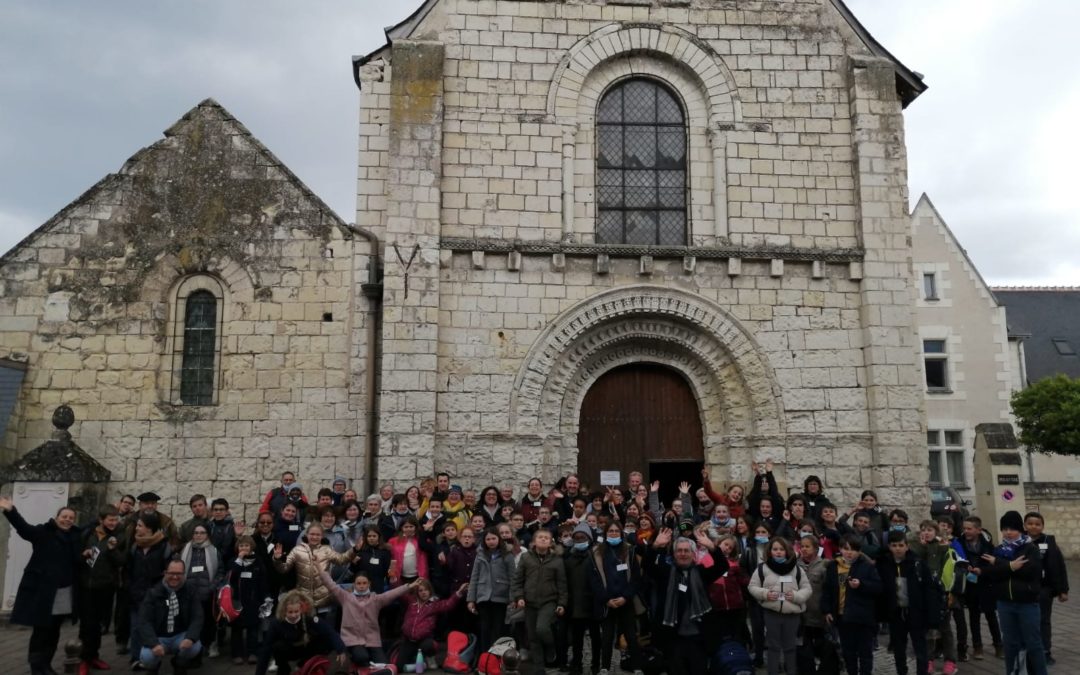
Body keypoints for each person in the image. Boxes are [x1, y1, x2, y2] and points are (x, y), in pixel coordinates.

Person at [0, 496, 82, 675]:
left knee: (54, 630)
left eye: (71, 518)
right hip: (44, 591)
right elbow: (23, 528)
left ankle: (47, 664)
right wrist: (10, 510)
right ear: (57, 517)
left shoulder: (76, 536)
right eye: (64, 516)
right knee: (41, 630)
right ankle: (36, 667)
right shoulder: (43, 532)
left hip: (64, 591)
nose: (67, 520)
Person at [644, 527, 727, 675]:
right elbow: (647, 566)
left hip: (699, 638)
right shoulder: (666, 572)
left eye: (686, 550)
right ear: (674, 554)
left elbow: (722, 566)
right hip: (673, 638)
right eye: (679, 551)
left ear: (693, 554)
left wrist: (712, 547)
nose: (683, 554)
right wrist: (655, 546)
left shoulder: (701, 573)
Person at [980, 510, 1047, 675]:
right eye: (1005, 528)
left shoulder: (1030, 548)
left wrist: (1001, 565)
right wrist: (1010, 566)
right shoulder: (998, 549)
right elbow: (991, 573)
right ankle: (1013, 672)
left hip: (1027, 603)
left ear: (1020, 530)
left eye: (1013, 529)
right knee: (1010, 643)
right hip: (1005, 603)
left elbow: (1031, 572)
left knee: (1033, 643)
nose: (1008, 532)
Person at [318, 567, 415, 668]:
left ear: (369, 584)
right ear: (354, 585)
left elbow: (391, 594)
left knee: (384, 664)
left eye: (364, 583)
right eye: (358, 583)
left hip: (372, 641)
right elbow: (331, 585)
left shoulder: (375, 599)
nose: (361, 586)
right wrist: (319, 569)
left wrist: (409, 586)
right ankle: (358, 665)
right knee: (362, 657)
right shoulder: (346, 597)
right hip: (353, 640)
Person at [747, 536, 811, 675]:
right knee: (773, 646)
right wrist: (764, 594)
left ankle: (791, 671)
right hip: (771, 613)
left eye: (781, 549)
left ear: (787, 551)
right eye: (775, 549)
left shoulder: (797, 569)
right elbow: (752, 586)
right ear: (770, 551)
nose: (778, 552)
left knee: (790, 646)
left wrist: (796, 596)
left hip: (792, 614)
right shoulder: (762, 568)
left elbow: (807, 589)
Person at [273, 522, 359, 624]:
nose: (314, 537)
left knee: (324, 629)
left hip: (324, 598)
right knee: (308, 629)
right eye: (312, 534)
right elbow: (284, 568)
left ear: (322, 536)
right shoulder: (297, 550)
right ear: (306, 535)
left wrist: (354, 550)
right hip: (304, 598)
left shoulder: (326, 550)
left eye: (317, 535)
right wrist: (277, 559)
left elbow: (341, 560)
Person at [879, 530, 939, 675]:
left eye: (901, 545)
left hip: (916, 612)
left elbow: (930, 590)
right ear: (889, 547)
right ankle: (901, 671)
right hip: (896, 613)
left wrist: (932, 616)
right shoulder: (884, 564)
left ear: (907, 546)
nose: (898, 548)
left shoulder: (918, 563)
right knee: (899, 648)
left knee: (920, 647)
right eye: (894, 545)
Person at [821, 534, 882, 675]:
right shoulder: (833, 567)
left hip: (863, 617)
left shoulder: (867, 567)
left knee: (865, 652)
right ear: (840, 549)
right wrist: (827, 610)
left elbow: (878, 587)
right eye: (845, 548)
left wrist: (861, 585)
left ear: (859, 551)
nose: (849, 552)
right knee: (848, 652)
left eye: (853, 549)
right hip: (843, 616)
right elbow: (827, 590)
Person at [588, 522, 643, 675]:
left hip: (625, 600)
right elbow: (594, 579)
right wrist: (606, 599)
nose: (613, 534)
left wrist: (626, 597)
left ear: (621, 533)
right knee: (606, 636)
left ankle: (637, 667)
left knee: (631, 635)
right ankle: (605, 667)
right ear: (605, 534)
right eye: (610, 531)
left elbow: (636, 578)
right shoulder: (596, 552)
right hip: (608, 602)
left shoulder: (630, 550)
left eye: (616, 531)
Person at [512, 528, 568, 674]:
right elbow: (517, 580)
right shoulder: (526, 557)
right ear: (534, 541)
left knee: (542, 628)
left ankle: (550, 647)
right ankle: (539, 668)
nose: (543, 539)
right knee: (533, 636)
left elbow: (562, 584)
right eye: (540, 537)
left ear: (551, 543)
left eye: (546, 538)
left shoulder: (557, 560)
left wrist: (562, 603)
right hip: (529, 602)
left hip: (549, 601)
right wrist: (519, 597)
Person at [78, 504, 126, 675]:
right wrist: (83, 555)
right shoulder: (88, 534)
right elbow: (77, 554)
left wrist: (112, 550)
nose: (114, 523)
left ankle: (94, 656)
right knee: (87, 624)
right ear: (101, 520)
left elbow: (121, 560)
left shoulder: (119, 536)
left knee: (99, 624)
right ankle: (84, 659)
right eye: (110, 519)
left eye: (116, 519)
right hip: (86, 586)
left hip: (105, 586)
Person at [255, 589, 347, 675]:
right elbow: (265, 649)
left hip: (305, 649)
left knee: (325, 640)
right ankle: (284, 667)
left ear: (301, 610)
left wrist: (341, 649)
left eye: (296, 611)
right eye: (290, 612)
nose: (294, 615)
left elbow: (329, 631)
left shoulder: (309, 618)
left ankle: (304, 663)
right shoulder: (276, 623)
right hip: (288, 650)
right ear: (284, 611)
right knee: (277, 646)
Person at [136, 560, 204, 675]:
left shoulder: (190, 590)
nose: (175, 577)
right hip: (159, 637)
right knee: (147, 658)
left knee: (194, 647)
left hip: (180, 635)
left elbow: (198, 616)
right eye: (171, 573)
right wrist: (154, 643)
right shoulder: (153, 592)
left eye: (179, 574)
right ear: (165, 573)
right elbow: (144, 621)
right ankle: (153, 667)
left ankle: (179, 663)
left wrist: (190, 637)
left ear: (184, 574)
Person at [125, 511, 175, 666]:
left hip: (155, 596)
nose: (136, 529)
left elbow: (168, 573)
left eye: (140, 526)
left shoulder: (164, 547)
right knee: (135, 628)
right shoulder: (135, 547)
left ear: (149, 528)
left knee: (152, 628)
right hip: (136, 595)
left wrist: (158, 591)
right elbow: (129, 571)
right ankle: (136, 658)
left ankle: (152, 658)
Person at [1024, 511, 1069, 666]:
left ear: (1042, 526)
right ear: (1025, 525)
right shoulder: (1020, 541)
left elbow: (1059, 566)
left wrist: (1063, 590)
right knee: (1026, 621)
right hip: (1024, 589)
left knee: (1043, 620)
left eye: (1037, 524)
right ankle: (1028, 651)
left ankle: (1045, 651)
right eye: (1030, 523)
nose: (1033, 526)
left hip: (1044, 589)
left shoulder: (1048, 542)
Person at [179, 523, 226, 659]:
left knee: (208, 622)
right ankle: (194, 646)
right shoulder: (185, 550)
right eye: (196, 533)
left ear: (207, 535)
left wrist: (213, 586)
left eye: (202, 533)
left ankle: (210, 644)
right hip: (189, 593)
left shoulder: (214, 551)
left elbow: (220, 572)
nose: (198, 535)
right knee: (192, 621)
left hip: (207, 594)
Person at [957, 515, 1002, 659]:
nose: (966, 531)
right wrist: (965, 567)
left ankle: (999, 645)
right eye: (964, 528)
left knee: (991, 616)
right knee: (973, 617)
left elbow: (993, 565)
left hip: (986, 584)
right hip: (970, 586)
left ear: (978, 530)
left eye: (969, 529)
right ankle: (977, 647)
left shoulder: (988, 545)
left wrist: (982, 571)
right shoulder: (959, 543)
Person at [399, 579, 469, 670]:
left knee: (429, 645)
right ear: (417, 592)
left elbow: (448, 604)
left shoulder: (434, 605)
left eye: (426, 590)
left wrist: (459, 592)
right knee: (399, 666)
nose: (423, 593)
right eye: (420, 590)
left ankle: (429, 657)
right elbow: (398, 592)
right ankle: (416, 659)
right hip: (409, 640)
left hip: (424, 640)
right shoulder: (411, 601)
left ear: (430, 591)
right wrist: (409, 585)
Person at [469, 527, 517, 653]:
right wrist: (471, 599)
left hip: (500, 597)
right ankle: (484, 657)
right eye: (488, 539)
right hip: (483, 597)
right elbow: (474, 577)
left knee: (498, 629)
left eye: (494, 538)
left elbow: (513, 578)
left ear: (499, 539)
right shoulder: (480, 555)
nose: (491, 541)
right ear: (484, 541)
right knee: (484, 628)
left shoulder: (507, 555)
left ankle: (496, 657)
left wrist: (513, 598)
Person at [796, 534, 839, 675]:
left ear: (816, 548)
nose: (804, 549)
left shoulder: (825, 565)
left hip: (819, 615)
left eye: (807, 546)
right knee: (804, 648)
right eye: (802, 546)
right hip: (802, 616)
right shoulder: (795, 565)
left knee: (824, 647)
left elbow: (830, 590)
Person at [563, 523, 600, 675]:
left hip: (593, 603)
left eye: (583, 537)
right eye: (577, 538)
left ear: (589, 539)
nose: (579, 540)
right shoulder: (568, 558)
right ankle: (576, 663)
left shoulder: (596, 556)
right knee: (577, 638)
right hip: (575, 603)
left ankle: (596, 664)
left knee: (595, 636)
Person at [227, 535, 270, 665]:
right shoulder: (234, 561)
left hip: (253, 601)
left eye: (246, 545)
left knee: (253, 629)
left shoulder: (258, 561)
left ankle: (253, 652)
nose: (244, 548)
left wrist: (265, 598)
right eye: (241, 545)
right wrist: (239, 560)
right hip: (237, 601)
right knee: (236, 630)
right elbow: (232, 577)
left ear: (251, 547)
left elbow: (263, 581)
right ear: (237, 548)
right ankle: (237, 654)